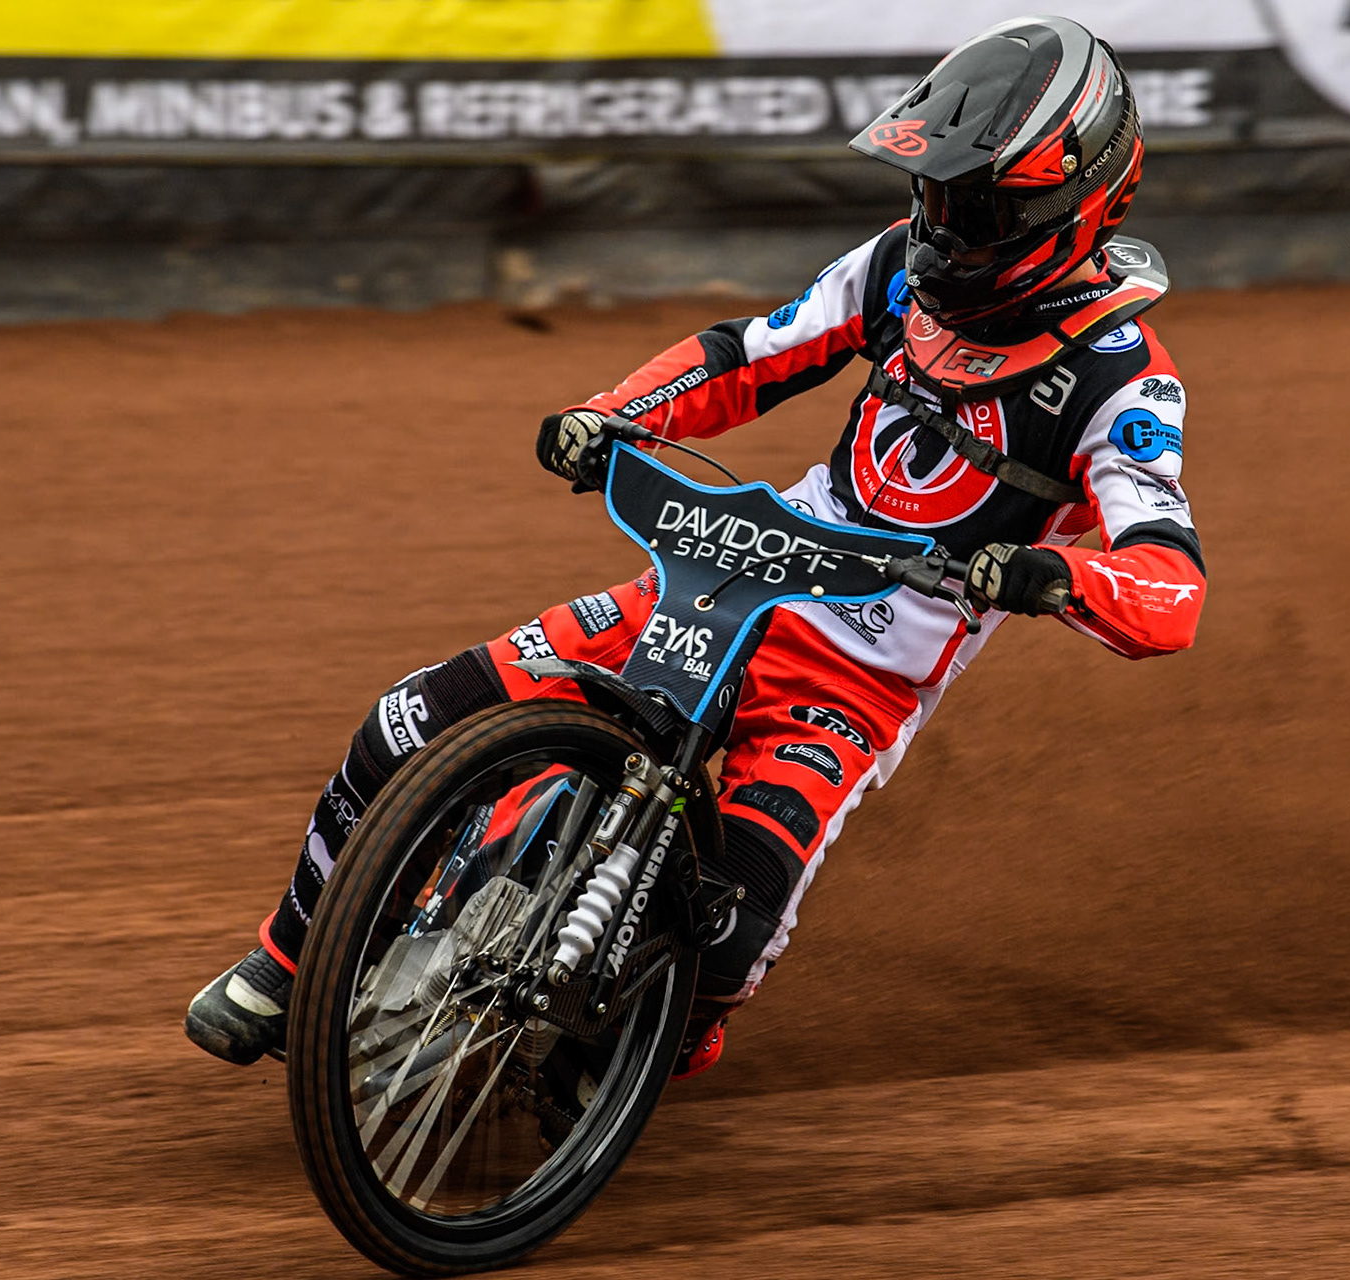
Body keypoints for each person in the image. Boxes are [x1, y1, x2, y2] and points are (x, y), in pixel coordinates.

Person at [186, 14, 1206, 1079]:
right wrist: (614, 415)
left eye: (974, 209)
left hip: (854, 679)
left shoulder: (1122, 379)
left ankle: (638, 1044)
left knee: (727, 941)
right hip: (728, 571)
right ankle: (287, 957)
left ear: (1069, 205)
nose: (941, 231)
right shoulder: (899, 268)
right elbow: (748, 356)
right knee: (410, 720)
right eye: (935, 198)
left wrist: (1057, 575)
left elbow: (1171, 584)